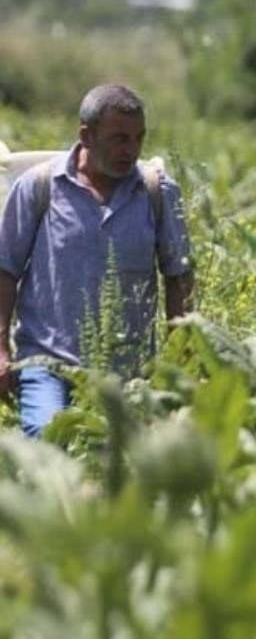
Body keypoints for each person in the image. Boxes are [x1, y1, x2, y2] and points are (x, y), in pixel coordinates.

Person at [0, 84, 195, 437]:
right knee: (46, 439)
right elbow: (5, 270)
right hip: (46, 362)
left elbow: (179, 277)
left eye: (138, 138)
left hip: (128, 370)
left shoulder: (158, 193)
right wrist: (0, 349)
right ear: (86, 136)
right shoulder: (39, 186)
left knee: (119, 464)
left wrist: (180, 357)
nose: (131, 150)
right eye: (119, 139)